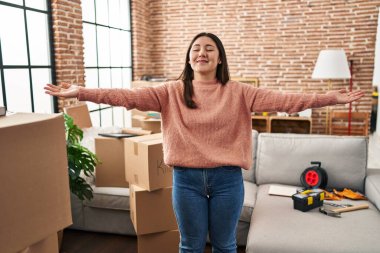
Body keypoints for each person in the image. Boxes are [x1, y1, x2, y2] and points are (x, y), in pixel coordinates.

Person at [45, 32, 364, 253]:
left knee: (225, 245)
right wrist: (83, 92)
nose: (202, 52)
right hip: (185, 181)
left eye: (210, 48)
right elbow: (126, 97)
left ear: (220, 58)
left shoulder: (240, 92)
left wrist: (329, 98)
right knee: (190, 245)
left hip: (228, 181)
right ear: (189, 57)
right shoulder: (169, 91)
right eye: (196, 48)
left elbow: (288, 99)